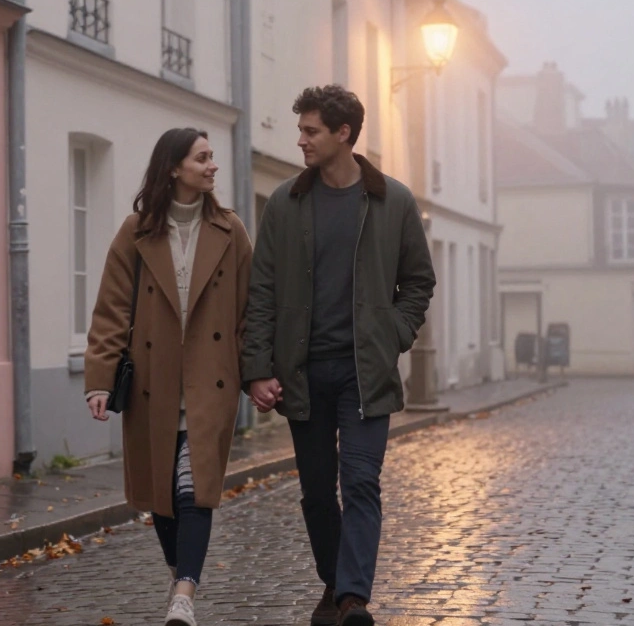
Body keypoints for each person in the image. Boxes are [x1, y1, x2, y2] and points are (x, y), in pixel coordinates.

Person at [242, 85, 435, 626]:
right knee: (317, 496)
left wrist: (391, 333)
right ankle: (335, 581)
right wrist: (257, 369)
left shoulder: (392, 200)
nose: (300, 140)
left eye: (310, 131)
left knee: (361, 483)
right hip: (304, 373)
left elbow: (418, 282)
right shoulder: (286, 203)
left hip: (364, 373)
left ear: (343, 134)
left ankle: (352, 599)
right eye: (302, 129)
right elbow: (262, 291)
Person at [85, 127, 252, 626]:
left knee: (192, 487)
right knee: (161, 497)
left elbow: (249, 312)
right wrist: (99, 377)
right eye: (202, 158)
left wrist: (257, 373)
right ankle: (182, 569)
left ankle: (184, 594)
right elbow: (112, 310)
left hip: (211, 381)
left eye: (212, 158)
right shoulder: (135, 233)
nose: (212, 166)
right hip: (152, 384)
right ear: (174, 168)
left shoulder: (231, 230)